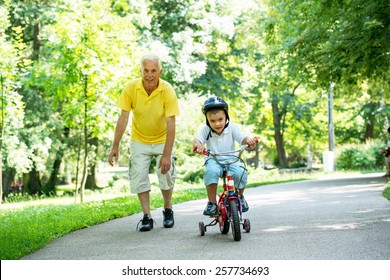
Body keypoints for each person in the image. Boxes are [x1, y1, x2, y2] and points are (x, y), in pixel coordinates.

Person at [108, 53, 179, 231]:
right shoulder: (131, 88)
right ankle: (147, 216)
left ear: (160, 72)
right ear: (140, 71)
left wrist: (167, 154)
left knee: (165, 173)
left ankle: (168, 209)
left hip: (163, 138)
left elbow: (171, 123)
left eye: (153, 71)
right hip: (139, 139)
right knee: (138, 176)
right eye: (146, 70)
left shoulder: (167, 90)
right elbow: (123, 118)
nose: (149, 75)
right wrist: (115, 146)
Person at [193, 96, 257, 216]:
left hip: (232, 159)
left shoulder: (232, 127)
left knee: (240, 172)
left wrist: (249, 140)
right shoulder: (205, 129)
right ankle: (212, 203)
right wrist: (198, 145)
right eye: (212, 121)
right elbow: (197, 140)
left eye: (220, 119)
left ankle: (240, 196)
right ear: (207, 120)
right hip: (213, 159)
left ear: (226, 116)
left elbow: (243, 138)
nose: (217, 124)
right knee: (211, 172)